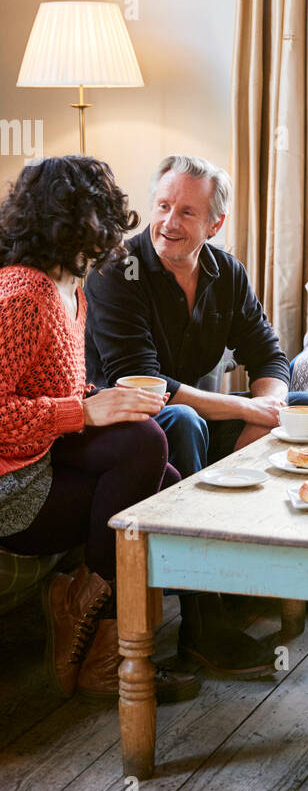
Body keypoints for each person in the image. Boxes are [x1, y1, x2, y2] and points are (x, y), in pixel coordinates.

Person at [84, 153, 308, 675]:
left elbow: (269, 355)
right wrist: (246, 407)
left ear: (215, 224)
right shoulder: (117, 271)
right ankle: (201, 624)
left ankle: (256, 574)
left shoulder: (226, 272)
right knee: (184, 422)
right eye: (163, 206)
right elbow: (144, 383)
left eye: (186, 212)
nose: (169, 223)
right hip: (126, 427)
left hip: (195, 417)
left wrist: (268, 410)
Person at [0, 156, 197, 704]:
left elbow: (49, 388)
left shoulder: (72, 290)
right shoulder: (23, 296)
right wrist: (84, 413)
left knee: (163, 478)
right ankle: (97, 638)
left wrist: (105, 400)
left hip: (42, 458)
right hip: (11, 488)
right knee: (146, 445)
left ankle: (108, 642)